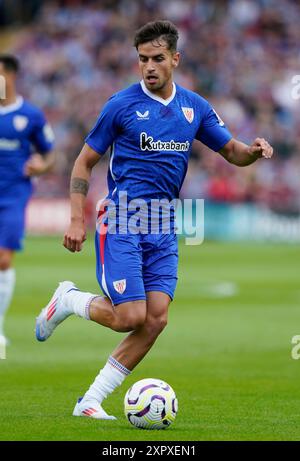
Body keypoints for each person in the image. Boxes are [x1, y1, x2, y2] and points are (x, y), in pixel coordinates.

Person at [35, 20, 273, 420]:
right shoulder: (121, 105)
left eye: (158, 58)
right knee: (129, 316)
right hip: (122, 219)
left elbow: (231, 150)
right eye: (143, 59)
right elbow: (84, 161)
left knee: (156, 319)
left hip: (163, 224)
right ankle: (69, 299)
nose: (149, 66)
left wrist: (253, 150)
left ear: (175, 59)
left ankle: (90, 401)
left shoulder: (194, 107)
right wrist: (75, 218)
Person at [0, 54, 55, 347]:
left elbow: (51, 154)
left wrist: (41, 166)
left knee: (3, 259)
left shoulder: (30, 116)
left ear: (10, 76)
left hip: (13, 196)